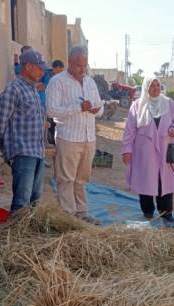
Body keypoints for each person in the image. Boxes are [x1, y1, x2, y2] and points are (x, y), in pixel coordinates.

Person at [46, 45, 103, 224]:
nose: (82, 69)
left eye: (85, 65)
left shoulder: (90, 82)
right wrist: (78, 107)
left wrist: (96, 110)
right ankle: (68, 217)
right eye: (79, 65)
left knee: (82, 179)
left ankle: (82, 213)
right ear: (69, 62)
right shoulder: (58, 82)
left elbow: (99, 109)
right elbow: (51, 109)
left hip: (88, 138)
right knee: (65, 179)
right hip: (68, 138)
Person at [121, 76, 174, 222]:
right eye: (152, 86)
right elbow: (130, 129)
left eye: (158, 85)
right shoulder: (137, 105)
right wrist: (127, 149)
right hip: (144, 149)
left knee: (164, 179)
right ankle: (148, 212)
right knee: (145, 179)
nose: (155, 88)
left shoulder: (168, 103)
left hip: (166, 147)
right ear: (146, 88)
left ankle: (166, 212)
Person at [0, 50, 52, 212]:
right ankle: (14, 236)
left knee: (35, 198)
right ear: (28, 66)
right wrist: (7, 149)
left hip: (37, 152)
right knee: (21, 200)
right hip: (23, 153)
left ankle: (29, 235)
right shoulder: (13, 89)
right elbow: (0, 124)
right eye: (39, 68)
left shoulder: (33, 89)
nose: (42, 72)